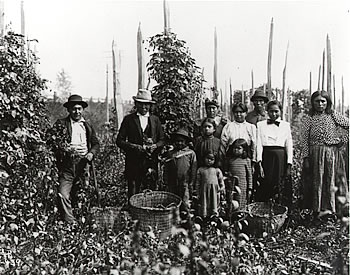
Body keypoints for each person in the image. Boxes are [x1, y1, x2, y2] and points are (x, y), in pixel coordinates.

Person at [49, 94, 100, 223]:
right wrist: (63, 150)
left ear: (82, 109)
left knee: (83, 194)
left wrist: (91, 153)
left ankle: (85, 222)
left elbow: (96, 144)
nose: (76, 111)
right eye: (74, 109)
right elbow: (50, 140)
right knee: (63, 194)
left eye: (79, 109)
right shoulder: (61, 124)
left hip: (83, 164)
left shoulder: (87, 126)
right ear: (69, 110)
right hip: (67, 165)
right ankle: (71, 223)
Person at [301, 90, 348, 215]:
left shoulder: (333, 115)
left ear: (328, 103)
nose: (320, 104)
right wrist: (305, 158)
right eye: (317, 101)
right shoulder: (309, 118)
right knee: (317, 181)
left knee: (331, 180)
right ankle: (317, 211)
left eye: (323, 101)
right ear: (312, 102)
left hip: (332, 154)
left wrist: (342, 141)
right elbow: (304, 139)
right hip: (315, 155)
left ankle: (334, 210)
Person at [116, 89, 164, 201]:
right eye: (141, 104)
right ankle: (133, 215)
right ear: (136, 104)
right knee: (133, 189)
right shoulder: (129, 120)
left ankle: (149, 214)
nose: (144, 107)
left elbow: (162, 140)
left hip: (151, 161)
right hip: (133, 161)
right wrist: (135, 147)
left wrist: (156, 146)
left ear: (150, 105)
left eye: (146, 105)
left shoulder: (155, 120)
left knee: (150, 189)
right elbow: (119, 141)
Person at [256, 100, 293, 204]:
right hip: (266, 157)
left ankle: (280, 210)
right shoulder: (260, 125)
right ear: (267, 111)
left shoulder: (286, 125)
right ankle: (265, 211)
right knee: (266, 183)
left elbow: (289, 144)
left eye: (276, 111)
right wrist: (259, 161)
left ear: (280, 111)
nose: (273, 114)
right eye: (271, 111)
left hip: (280, 158)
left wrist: (289, 163)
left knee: (280, 183)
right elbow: (258, 144)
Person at [163, 129, 197, 208]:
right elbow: (166, 168)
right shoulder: (171, 153)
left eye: (182, 141)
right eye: (177, 141)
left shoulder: (190, 153)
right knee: (173, 201)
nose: (179, 143)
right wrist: (166, 181)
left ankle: (186, 215)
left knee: (185, 201)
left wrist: (192, 182)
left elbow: (193, 169)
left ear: (186, 142)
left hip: (185, 182)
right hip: (172, 182)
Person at [195, 150, 225, 218]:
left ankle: (214, 218)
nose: (209, 161)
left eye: (212, 159)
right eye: (207, 158)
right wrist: (197, 192)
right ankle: (205, 218)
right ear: (203, 159)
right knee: (204, 203)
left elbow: (221, 181)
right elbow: (198, 182)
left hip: (214, 190)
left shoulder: (216, 170)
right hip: (204, 191)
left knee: (214, 203)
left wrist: (222, 188)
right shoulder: (201, 170)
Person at [225, 139, 253, 209]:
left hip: (242, 185)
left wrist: (250, 188)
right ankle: (231, 215)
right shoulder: (230, 160)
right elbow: (226, 171)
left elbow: (249, 175)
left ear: (244, 150)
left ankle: (240, 215)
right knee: (232, 200)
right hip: (232, 184)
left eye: (239, 148)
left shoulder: (246, 160)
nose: (236, 150)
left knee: (241, 200)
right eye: (234, 148)